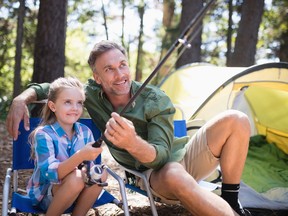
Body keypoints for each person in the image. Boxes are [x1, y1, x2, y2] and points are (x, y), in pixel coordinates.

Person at [6, 41, 251, 216]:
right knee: (174, 172)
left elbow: (163, 153)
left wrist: (132, 142)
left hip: (176, 155)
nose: (119, 74)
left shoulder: (155, 99)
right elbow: (51, 88)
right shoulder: (89, 95)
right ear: (97, 77)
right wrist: (21, 99)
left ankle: (231, 199)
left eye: (122, 65)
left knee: (237, 119)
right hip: (154, 173)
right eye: (109, 69)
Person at [25, 77, 107, 216]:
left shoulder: (85, 132)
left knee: (100, 175)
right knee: (76, 177)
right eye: (68, 102)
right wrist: (81, 155)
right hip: (45, 195)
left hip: (78, 191)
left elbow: (87, 170)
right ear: (53, 106)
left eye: (79, 103)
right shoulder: (43, 134)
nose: (75, 108)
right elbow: (50, 174)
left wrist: (90, 169)